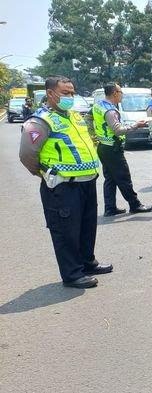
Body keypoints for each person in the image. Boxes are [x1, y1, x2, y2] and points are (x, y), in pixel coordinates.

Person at [19, 75, 112, 289]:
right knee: (66, 231)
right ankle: (72, 274)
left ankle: (87, 263)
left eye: (72, 92)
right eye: (65, 93)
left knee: (87, 227)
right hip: (62, 186)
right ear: (50, 93)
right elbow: (27, 154)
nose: (70, 96)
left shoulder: (74, 116)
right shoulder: (40, 121)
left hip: (86, 181)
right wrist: (47, 174)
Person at [86, 82, 152, 217]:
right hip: (112, 149)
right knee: (124, 178)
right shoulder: (110, 110)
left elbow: (88, 119)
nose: (122, 95)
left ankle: (110, 208)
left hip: (103, 146)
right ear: (115, 93)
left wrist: (95, 135)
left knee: (110, 178)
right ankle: (135, 205)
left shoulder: (98, 105)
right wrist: (136, 125)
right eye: (121, 92)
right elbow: (118, 130)